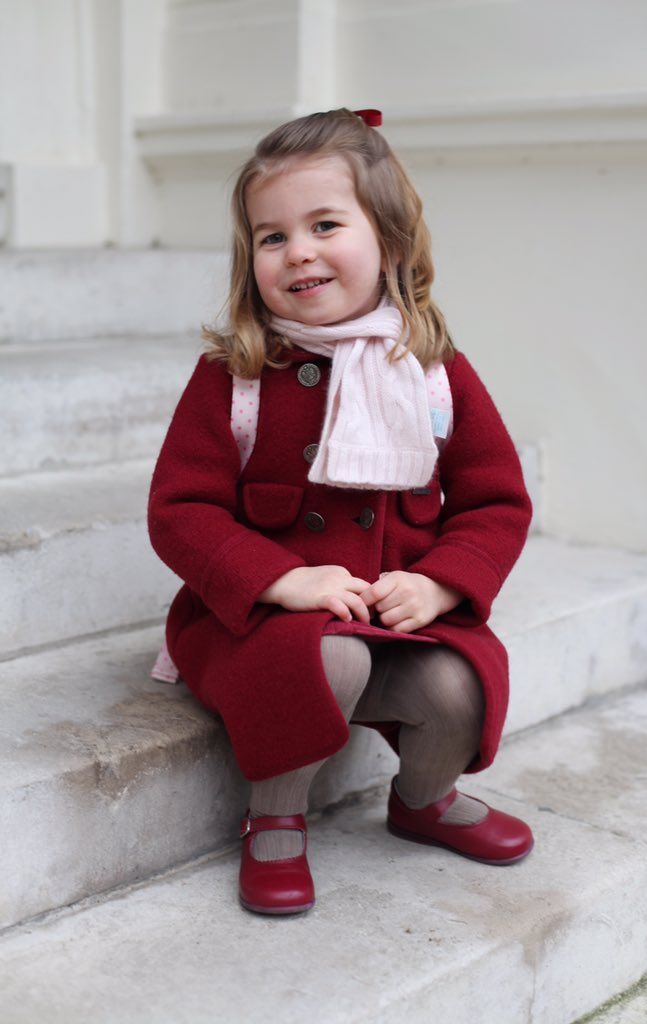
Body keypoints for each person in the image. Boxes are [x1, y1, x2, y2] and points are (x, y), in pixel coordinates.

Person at [147, 107, 534, 917]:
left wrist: (439, 587)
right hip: (267, 626)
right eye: (271, 236)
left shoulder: (431, 371)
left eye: (325, 223)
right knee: (331, 662)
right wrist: (281, 579)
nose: (299, 252)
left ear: (388, 240)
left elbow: (496, 501)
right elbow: (181, 511)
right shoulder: (238, 378)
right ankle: (275, 814)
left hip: (396, 618)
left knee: (461, 681)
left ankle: (423, 800)